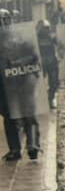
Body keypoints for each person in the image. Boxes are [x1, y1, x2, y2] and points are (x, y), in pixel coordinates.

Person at [0, 10, 41, 160]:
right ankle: (15, 150)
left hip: (23, 78)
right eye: (0, 21)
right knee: (9, 116)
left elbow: (33, 57)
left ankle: (33, 145)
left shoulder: (22, 36)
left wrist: (17, 63)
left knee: (28, 113)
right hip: (4, 84)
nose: (3, 24)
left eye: (5, 20)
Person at [0, 9, 21, 161]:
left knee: (9, 115)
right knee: (7, 114)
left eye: (5, 19)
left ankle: (15, 148)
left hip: (10, 80)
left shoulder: (14, 38)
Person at [36, 19, 59, 108]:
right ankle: (41, 101)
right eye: (45, 28)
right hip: (41, 63)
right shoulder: (36, 39)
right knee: (39, 84)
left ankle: (50, 99)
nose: (46, 30)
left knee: (54, 83)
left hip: (52, 62)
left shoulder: (52, 38)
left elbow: (60, 46)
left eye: (47, 28)